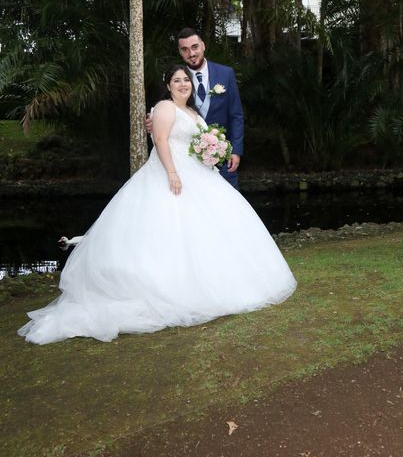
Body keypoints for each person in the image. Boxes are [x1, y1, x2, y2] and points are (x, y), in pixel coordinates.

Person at [18, 65, 297, 345]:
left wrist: (211, 152)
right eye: (177, 80)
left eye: (186, 80)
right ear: (168, 85)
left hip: (199, 175)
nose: (183, 84)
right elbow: (161, 139)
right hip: (169, 174)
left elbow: (195, 141)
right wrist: (173, 173)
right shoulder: (165, 107)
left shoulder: (193, 112)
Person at [146, 27, 243, 189]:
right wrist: (152, 121)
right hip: (186, 164)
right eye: (185, 49)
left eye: (195, 47)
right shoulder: (174, 78)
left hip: (222, 156)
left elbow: (236, 115)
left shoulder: (226, 74)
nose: (191, 53)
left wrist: (236, 150)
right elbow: (163, 111)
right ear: (180, 52)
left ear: (203, 45)